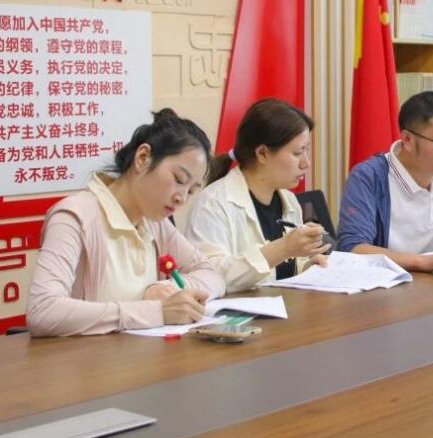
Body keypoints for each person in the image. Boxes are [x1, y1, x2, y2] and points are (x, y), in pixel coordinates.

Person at [28, 109, 225, 337]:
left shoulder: (154, 222)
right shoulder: (75, 216)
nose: (181, 198)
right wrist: (156, 311)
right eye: (179, 179)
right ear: (143, 158)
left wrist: (164, 289)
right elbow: (43, 311)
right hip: (87, 357)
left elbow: (212, 274)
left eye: (190, 191)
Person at [175, 98, 330, 293]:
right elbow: (207, 276)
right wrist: (284, 247)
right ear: (263, 153)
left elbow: (280, 273)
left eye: (306, 150)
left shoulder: (289, 201)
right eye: (298, 152)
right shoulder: (213, 204)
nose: (306, 163)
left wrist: (307, 266)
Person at [337, 91, 433, 272]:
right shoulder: (369, 177)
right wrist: (423, 262)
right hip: (387, 285)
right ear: (408, 140)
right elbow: (353, 249)